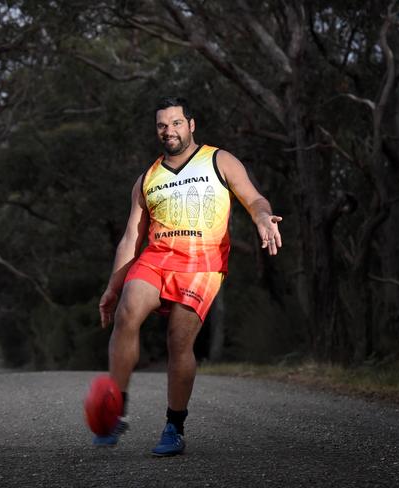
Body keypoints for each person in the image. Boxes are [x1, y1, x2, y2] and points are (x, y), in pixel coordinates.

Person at [96, 96, 282, 456]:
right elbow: (131, 238)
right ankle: (115, 407)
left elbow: (254, 198)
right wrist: (112, 286)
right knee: (127, 312)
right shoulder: (147, 178)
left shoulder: (218, 159)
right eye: (162, 125)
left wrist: (262, 217)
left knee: (178, 342)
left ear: (191, 125)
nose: (169, 131)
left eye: (176, 123)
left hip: (202, 263)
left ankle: (174, 425)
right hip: (156, 258)